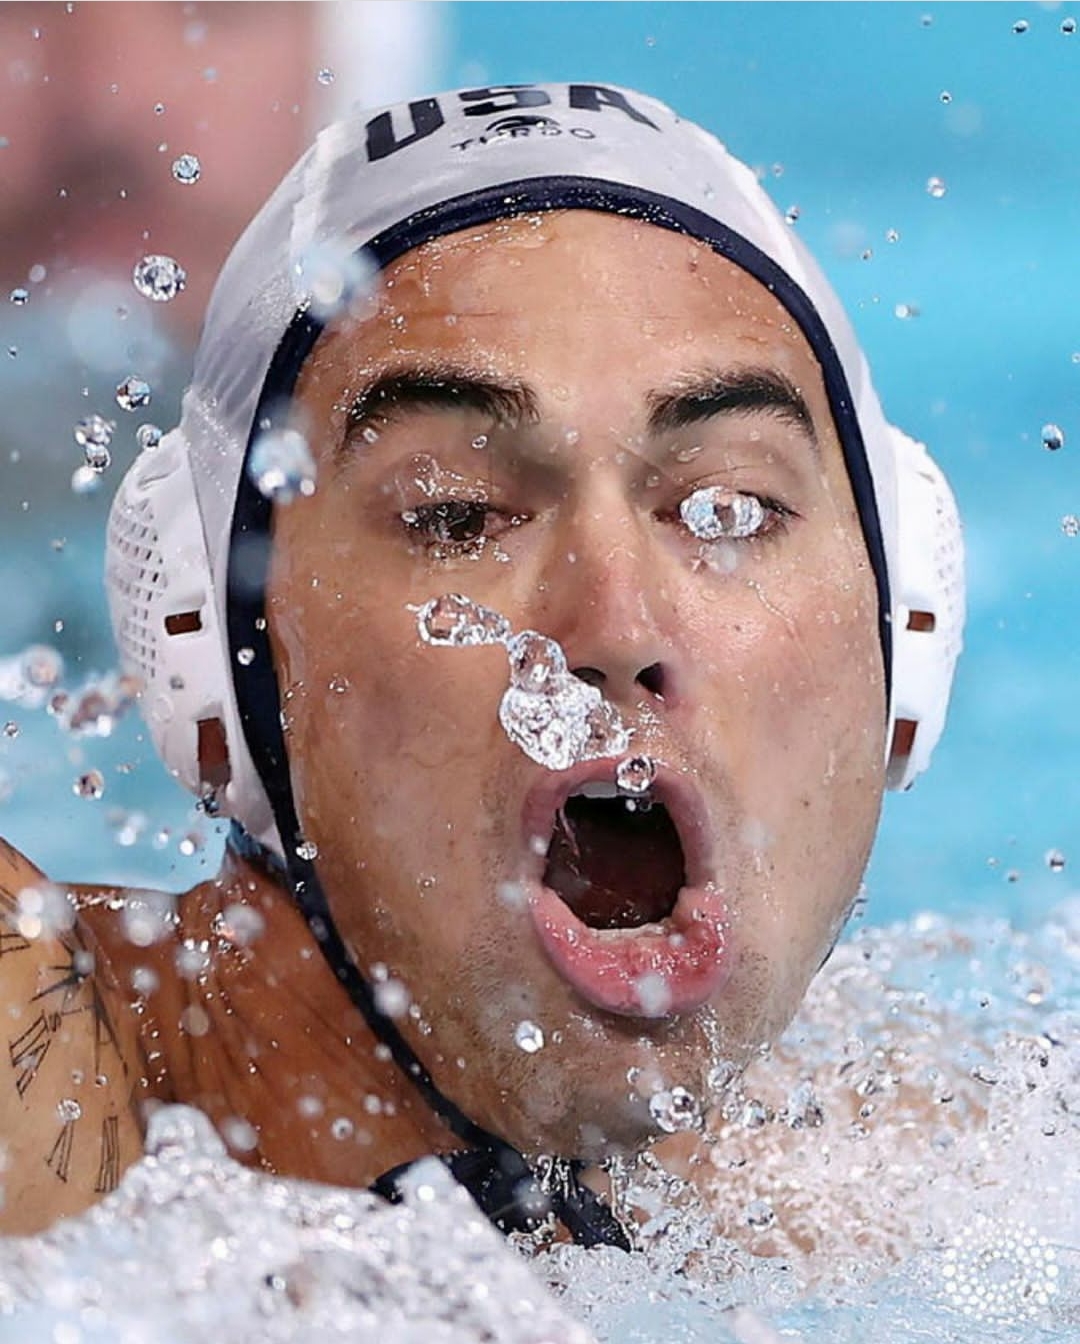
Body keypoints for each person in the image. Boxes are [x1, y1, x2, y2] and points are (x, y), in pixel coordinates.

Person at [0, 82, 963, 1243]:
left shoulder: (924, 1200)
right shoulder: (47, 1052)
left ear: (904, 640)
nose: (616, 624)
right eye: (456, 515)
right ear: (205, 651)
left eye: (730, 508)